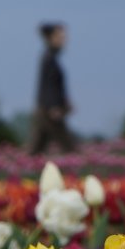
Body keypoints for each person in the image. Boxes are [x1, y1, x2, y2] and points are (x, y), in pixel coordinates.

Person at [29, 22, 75, 155]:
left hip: (46, 109)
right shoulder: (48, 59)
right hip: (49, 110)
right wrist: (53, 106)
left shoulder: (52, 58)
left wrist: (65, 102)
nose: (64, 40)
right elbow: (47, 85)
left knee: (37, 148)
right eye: (60, 37)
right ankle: (79, 171)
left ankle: (23, 171)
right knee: (68, 146)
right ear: (50, 38)